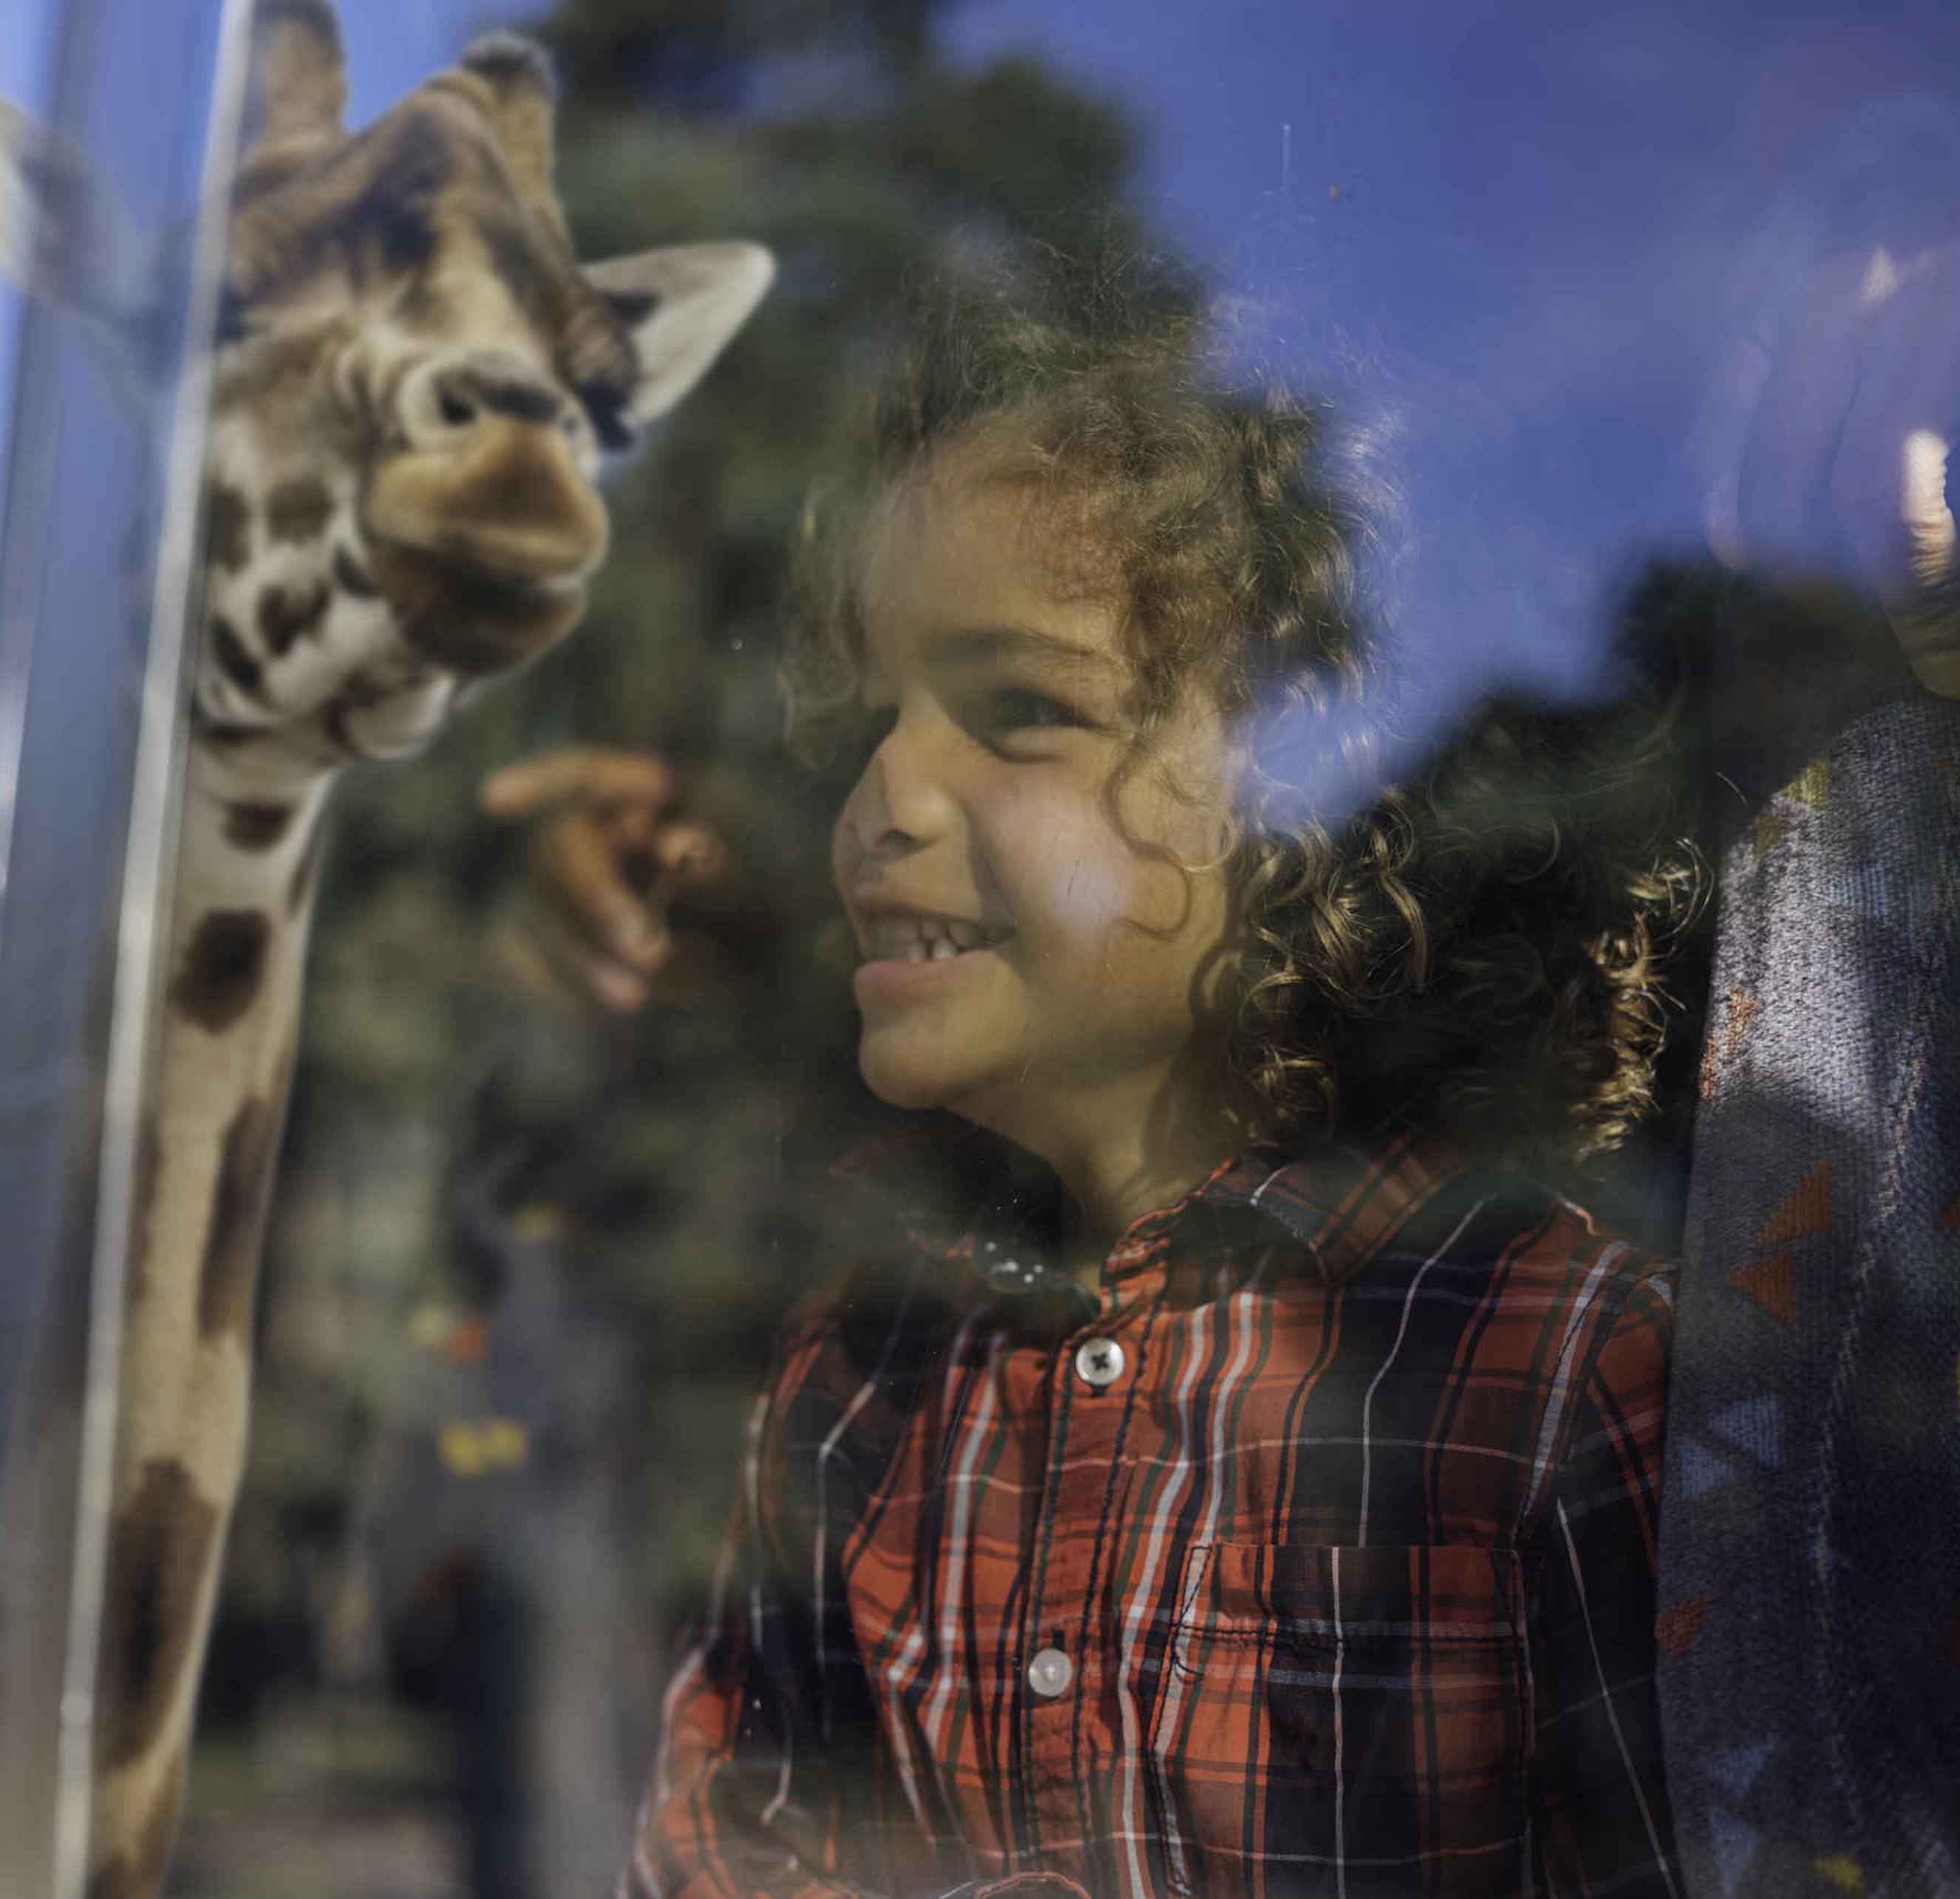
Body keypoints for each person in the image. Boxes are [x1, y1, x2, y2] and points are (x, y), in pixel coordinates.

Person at [502, 251, 1694, 1899]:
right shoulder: (857, 1370)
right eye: (874, 711)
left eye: (1022, 711)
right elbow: (726, 1848)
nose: (888, 790)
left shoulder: (1549, 1372)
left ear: (1304, 784)